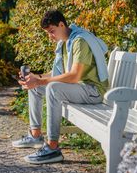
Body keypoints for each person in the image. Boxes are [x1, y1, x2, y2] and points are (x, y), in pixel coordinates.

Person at [12, 9, 109, 164]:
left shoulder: (79, 41)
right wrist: (36, 79)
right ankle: (35, 136)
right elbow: (58, 73)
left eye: (52, 31)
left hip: (93, 91)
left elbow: (74, 75)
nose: (51, 37)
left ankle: (52, 148)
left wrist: (40, 81)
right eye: (48, 33)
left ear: (62, 24)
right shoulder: (65, 42)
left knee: (53, 88)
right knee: (36, 87)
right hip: (79, 88)